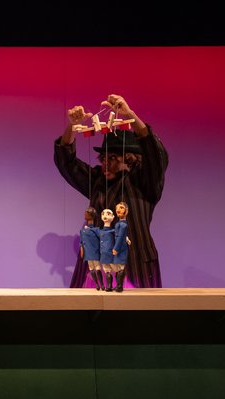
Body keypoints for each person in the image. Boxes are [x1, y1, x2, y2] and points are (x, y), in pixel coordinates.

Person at [54, 94, 168, 288]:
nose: (106, 164)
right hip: (96, 269)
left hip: (135, 265)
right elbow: (67, 163)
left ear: (130, 158)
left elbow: (156, 156)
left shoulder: (144, 181)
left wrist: (130, 115)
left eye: (113, 158)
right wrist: (72, 127)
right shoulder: (98, 180)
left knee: (137, 307)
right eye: (104, 159)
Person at [79, 207, 102, 291]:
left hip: (95, 251)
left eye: (87, 213)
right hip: (88, 252)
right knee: (91, 268)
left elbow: (101, 239)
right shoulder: (83, 231)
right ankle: (97, 284)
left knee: (97, 267)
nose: (85, 215)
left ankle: (102, 284)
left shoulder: (96, 230)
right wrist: (82, 249)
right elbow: (82, 241)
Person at [111, 201, 129, 292]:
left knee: (121, 267)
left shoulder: (123, 225)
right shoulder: (119, 224)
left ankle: (120, 286)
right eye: (117, 208)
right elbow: (121, 235)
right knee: (118, 267)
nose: (118, 210)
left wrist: (116, 248)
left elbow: (120, 237)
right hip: (119, 247)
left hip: (121, 248)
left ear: (126, 210)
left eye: (121, 208)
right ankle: (118, 285)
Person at [98, 208, 116, 292]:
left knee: (116, 269)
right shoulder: (99, 231)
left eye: (108, 214)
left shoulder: (113, 231)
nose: (105, 215)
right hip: (103, 254)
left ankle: (117, 285)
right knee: (106, 270)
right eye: (103, 214)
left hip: (111, 253)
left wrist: (126, 238)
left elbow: (120, 236)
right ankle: (109, 286)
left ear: (113, 217)